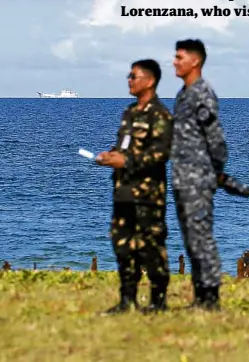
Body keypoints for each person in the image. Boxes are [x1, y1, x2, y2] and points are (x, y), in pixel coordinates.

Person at [96, 59, 172, 314]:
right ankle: (126, 300)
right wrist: (110, 156)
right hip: (124, 190)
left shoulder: (160, 116)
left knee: (150, 246)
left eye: (134, 76)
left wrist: (126, 160)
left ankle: (157, 302)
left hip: (148, 193)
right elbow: (124, 147)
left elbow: (162, 153)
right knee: (122, 245)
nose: (129, 80)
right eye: (128, 76)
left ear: (149, 81)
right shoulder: (129, 113)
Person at [170, 39, 229, 310]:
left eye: (180, 57)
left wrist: (215, 173)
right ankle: (200, 296)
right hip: (183, 176)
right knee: (191, 238)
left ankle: (211, 298)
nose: (174, 62)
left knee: (201, 238)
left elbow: (215, 138)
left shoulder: (201, 93)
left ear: (195, 61)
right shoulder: (184, 94)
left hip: (198, 178)